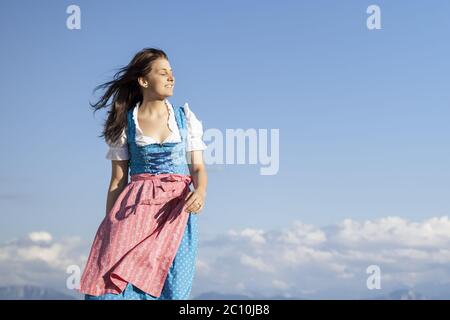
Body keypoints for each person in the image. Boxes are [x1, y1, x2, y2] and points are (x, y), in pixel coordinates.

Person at [78, 48, 208, 300]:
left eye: (171, 72)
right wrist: (109, 228)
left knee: (173, 286)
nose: (171, 77)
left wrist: (200, 191)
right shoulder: (124, 122)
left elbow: (198, 168)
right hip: (133, 213)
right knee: (113, 285)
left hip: (176, 212)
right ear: (143, 80)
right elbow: (117, 180)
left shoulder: (186, 118)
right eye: (163, 72)